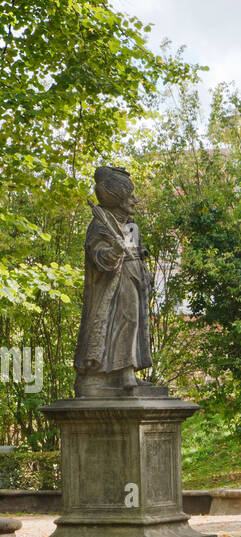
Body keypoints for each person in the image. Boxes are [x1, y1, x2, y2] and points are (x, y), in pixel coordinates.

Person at [74, 167, 153, 397]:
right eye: (129, 197)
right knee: (125, 321)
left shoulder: (129, 225)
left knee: (135, 323)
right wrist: (113, 251)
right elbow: (98, 256)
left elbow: (134, 250)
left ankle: (128, 371)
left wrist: (140, 257)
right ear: (117, 198)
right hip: (115, 284)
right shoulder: (100, 224)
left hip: (134, 279)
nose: (134, 201)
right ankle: (122, 373)